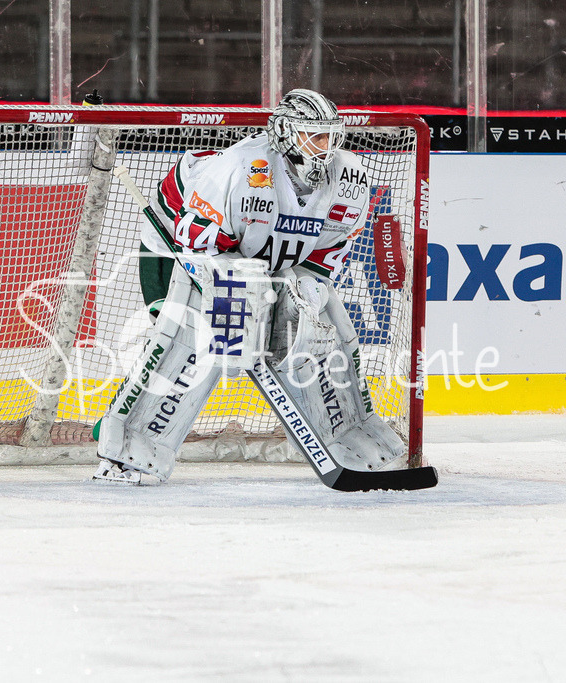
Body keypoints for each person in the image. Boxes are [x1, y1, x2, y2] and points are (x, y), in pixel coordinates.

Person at [94, 89, 380, 485]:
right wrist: (235, 301)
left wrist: (306, 287)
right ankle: (128, 449)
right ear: (285, 133)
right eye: (314, 136)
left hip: (263, 256)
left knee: (313, 325)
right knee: (191, 339)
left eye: (330, 136)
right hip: (177, 243)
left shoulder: (348, 178)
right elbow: (196, 245)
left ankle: (354, 443)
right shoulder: (238, 170)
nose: (324, 147)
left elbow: (328, 248)